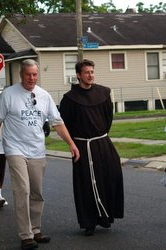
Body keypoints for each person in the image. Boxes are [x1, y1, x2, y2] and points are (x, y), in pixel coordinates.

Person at [0, 59, 80, 250]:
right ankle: (26, 235)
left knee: (37, 192)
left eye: (35, 74)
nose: (31, 78)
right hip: (15, 150)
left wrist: (71, 144)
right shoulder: (9, 94)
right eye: (28, 74)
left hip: (37, 150)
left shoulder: (44, 96)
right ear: (21, 75)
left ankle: (36, 230)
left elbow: (57, 122)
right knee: (23, 191)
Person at [59, 59, 124, 236]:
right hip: (82, 146)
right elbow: (66, 124)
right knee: (85, 185)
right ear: (78, 75)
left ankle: (106, 216)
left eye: (92, 72)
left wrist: (99, 136)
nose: (90, 75)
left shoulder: (104, 93)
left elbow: (108, 118)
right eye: (87, 72)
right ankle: (89, 222)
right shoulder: (69, 99)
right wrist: (74, 144)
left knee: (111, 176)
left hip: (102, 142)